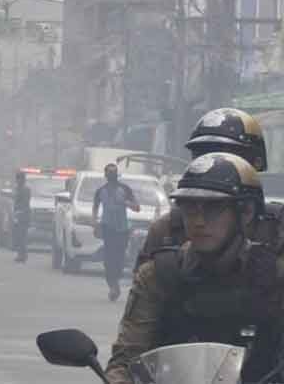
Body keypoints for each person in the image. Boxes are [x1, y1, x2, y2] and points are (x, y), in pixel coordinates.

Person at [105, 153, 284, 384]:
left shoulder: (276, 277)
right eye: (190, 209)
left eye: (213, 209)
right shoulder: (158, 275)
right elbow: (127, 359)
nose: (199, 221)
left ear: (246, 213)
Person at [136, 108, 268, 267]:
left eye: (215, 208)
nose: (214, 163)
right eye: (203, 154)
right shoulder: (168, 228)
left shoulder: (277, 230)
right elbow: (145, 284)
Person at [93, 163, 142, 301]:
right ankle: (113, 285)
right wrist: (95, 224)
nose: (111, 175)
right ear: (105, 175)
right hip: (107, 228)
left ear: (117, 175)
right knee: (108, 259)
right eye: (109, 172)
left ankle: (116, 282)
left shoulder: (125, 189)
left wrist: (126, 203)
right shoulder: (100, 191)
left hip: (122, 229)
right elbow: (95, 208)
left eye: (114, 172)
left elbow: (137, 208)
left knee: (119, 258)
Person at [12, 171, 31, 263]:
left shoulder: (25, 190)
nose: (17, 181)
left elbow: (24, 203)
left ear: (22, 179)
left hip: (23, 215)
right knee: (19, 235)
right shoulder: (18, 189)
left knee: (22, 235)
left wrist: (20, 213)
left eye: (18, 179)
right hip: (18, 214)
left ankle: (22, 255)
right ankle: (21, 254)